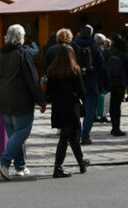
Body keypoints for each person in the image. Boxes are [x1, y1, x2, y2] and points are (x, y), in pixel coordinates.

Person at [0, 24, 47, 180]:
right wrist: (42, 100)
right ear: (20, 37)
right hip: (21, 100)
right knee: (22, 131)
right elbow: (33, 80)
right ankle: (4, 161)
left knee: (14, 135)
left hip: (3, 99)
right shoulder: (22, 54)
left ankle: (20, 166)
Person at [45, 44, 90, 178]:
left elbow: (48, 92)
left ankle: (81, 163)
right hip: (71, 106)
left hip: (58, 107)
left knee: (71, 136)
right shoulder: (74, 70)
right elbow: (82, 90)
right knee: (65, 137)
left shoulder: (52, 71)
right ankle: (57, 168)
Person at [71, 24, 108, 144]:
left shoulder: (72, 46)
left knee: (75, 111)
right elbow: (102, 67)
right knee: (90, 111)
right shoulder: (95, 47)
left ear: (79, 33)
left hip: (75, 82)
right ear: (91, 34)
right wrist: (106, 84)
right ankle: (85, 135)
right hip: (92, 83)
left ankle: (76, 135)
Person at [106, 36, 128, 136]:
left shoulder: (108, 53)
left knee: (112, 106)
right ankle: (116, 128)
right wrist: (127, 84)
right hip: (120, 83)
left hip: (109, 83)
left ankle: (113, 126)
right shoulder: (124, 55)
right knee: (117, 106)